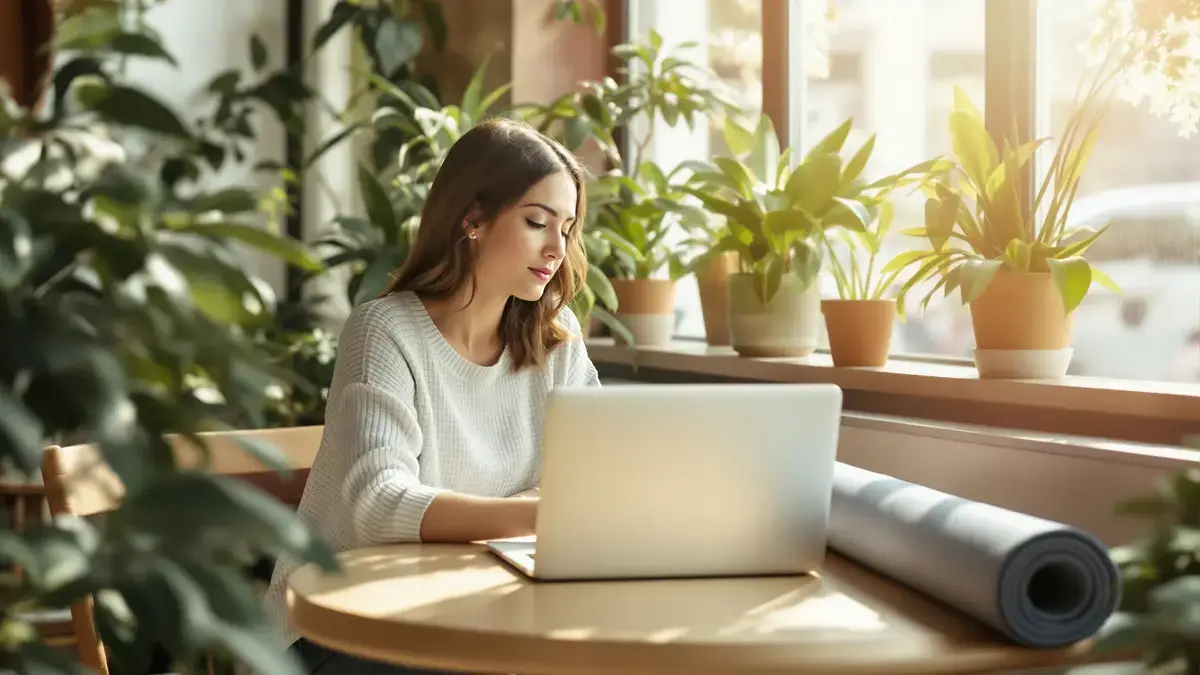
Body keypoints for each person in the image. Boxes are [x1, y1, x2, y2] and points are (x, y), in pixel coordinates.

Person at [263, 116, 602, 674]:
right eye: (537, 222)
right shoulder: (385, 332)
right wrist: (540, 514)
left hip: (480, 618)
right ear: (472, 217)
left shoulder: (555, 339)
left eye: (565, 229)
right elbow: (379, 505)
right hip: (344, 632)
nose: (556, 249)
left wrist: (553, 509)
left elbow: (593, 474)